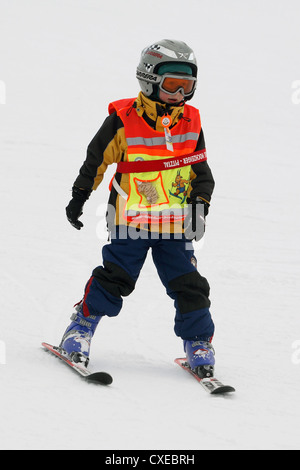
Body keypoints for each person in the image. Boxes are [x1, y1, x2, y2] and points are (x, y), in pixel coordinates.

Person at [60, 39, 216, 379]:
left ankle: (198, 343)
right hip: (131, 221)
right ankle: (81, 328)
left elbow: (202, 174)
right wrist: (79, 196)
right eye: (172, 84)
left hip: (175, 225)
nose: (179, 94)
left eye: (187, 86)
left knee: (189, 285)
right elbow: (95, 162)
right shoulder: (123, 120)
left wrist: (199, 206)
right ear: (149, 79)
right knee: (116, 278)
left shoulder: (190, 122)